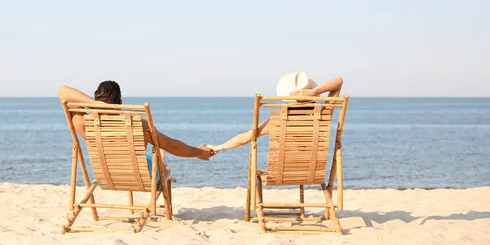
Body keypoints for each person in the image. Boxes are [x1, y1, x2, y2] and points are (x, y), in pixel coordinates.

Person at [58, 81, 213, 167]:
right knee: (161, 156)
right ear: (120, 103)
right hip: (137, 175)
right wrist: (200, 153)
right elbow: (173, 146)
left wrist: (93, 104)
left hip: (105, 175)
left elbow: (62, 91)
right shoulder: (138, 124)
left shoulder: (83, 124)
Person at [206, 72, 343, 155]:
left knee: (254, 171)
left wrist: (218, 147)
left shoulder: (277, 122)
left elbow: (244, 138)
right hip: (313, 174)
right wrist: (314, 92)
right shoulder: (323, 116)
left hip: (280, 175)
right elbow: (339, 81)